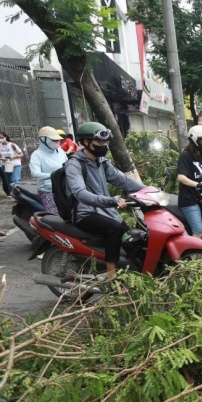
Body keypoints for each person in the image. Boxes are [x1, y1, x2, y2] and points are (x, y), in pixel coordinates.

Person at [66, 122, 145, 285]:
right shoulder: (74, 164)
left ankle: (132, 273)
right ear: (86, 142)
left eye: (105, 142)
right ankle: (111, 277)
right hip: (84, 213)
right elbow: (80, 193)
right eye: (100, 142)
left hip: (105, 211)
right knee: (114, 229)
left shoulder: (101, 161)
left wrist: (150, 191)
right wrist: (111, 201)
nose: (104, 145)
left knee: (131, 236)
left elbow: (123, 180)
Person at [29, 126, 67, 214]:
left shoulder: (60, 151)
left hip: (63, 187)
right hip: (48, 190)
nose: (58, 143)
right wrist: (54, 175)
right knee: (54, 215)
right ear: (44, 140)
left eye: (58, 140)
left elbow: (67, 164)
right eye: (54, 140)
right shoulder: (37, 155)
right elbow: (35, 173)